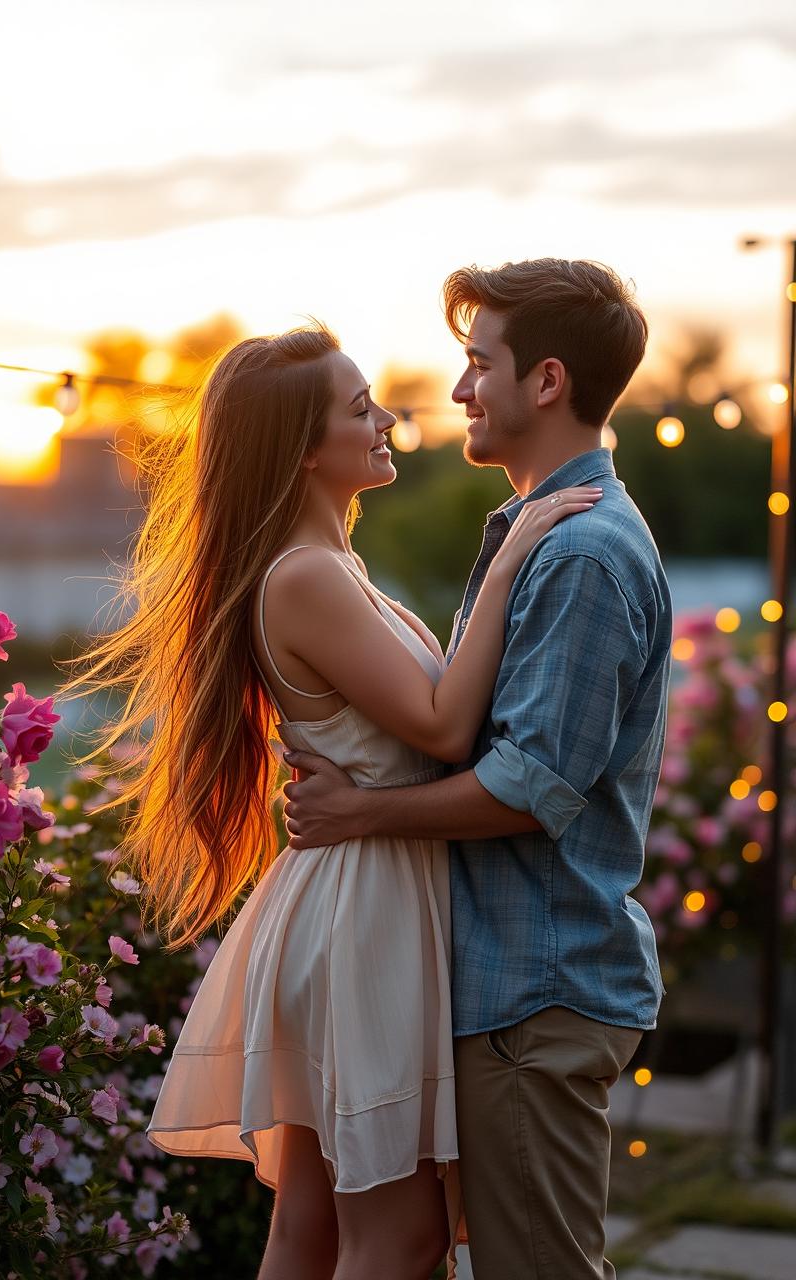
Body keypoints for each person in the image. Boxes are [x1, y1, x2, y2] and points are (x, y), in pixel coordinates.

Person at [59, 323, 600, 1280]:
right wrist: (513, 555)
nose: (387, 416)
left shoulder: (326, 568)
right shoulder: (307, 575)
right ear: (306, 449)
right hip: (366, 919)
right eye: (360, 410)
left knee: (308, 1231)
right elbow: (439, 726)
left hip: (352, 898)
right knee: (401, 1236)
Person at [281, 259, 673, 1280]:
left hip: (532, 992)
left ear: (544, 382)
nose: (457, 390)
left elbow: (528, 790)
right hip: (504, 989)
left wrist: (359, 812)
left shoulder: (578, 553)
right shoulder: (540, 536)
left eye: (476, 362)